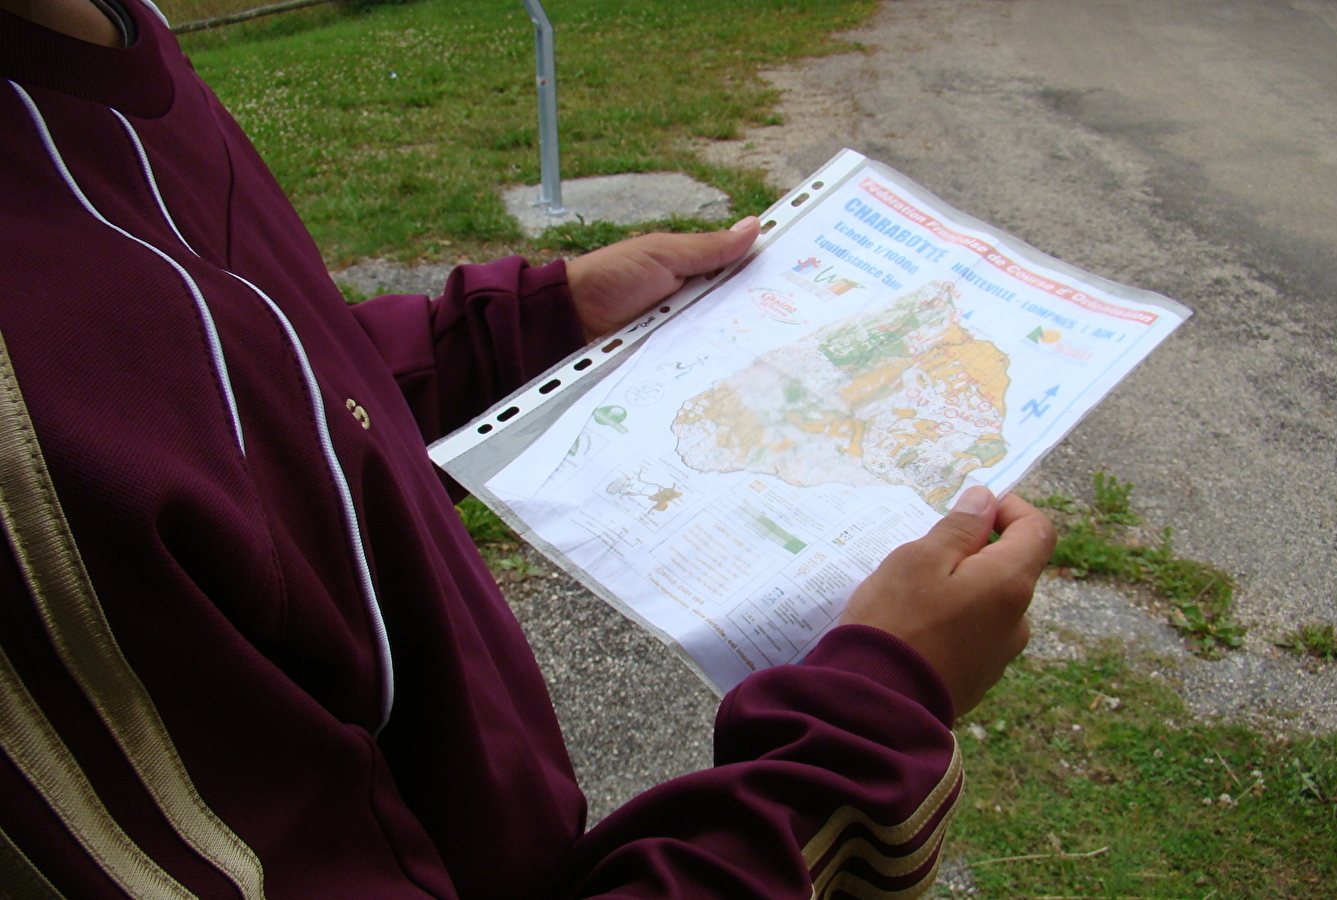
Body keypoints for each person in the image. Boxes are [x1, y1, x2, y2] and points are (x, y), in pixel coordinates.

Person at [0, 0, 1056, 897]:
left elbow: (239, 387)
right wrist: (869, 723)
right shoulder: (24, 473)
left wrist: (527, 335)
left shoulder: (100, 28)